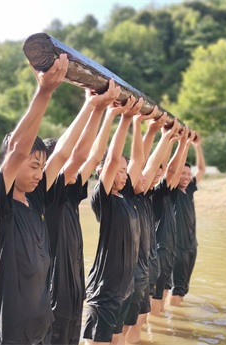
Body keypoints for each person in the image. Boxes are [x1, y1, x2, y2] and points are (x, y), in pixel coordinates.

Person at [0, 54, 74, 344]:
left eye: (41, 168)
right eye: (34, 167)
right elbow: (18, 150)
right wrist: (44, 91)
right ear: (11, 165)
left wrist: (94, 105)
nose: (39, 175)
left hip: (42, 326)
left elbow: (69, 153)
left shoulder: (36, 202)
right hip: (12, 333)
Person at [43, 80, 122, 345]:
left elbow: (93, 155)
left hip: (74, 290)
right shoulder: (48, 195)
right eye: (60, 163)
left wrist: (107, 112)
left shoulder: (69, 194)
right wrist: (93, 107)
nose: (69, 167)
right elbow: (75, 155)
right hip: (54, 292)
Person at [83, 96, 146, 345]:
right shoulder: (104, 199)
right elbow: (110, 160)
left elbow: (138, 162)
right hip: (106, 287)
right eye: (118, 171)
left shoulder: (127, 196)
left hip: (124, 285)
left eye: (124, 171)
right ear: (102, 174)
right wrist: (124, 119)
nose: (123, 175)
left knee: (117, 341)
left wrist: (138, 122)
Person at [121, 112, 179, 343]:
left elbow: (152, 164)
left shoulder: (144, 196)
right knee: (124, 329)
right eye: (142, 174)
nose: (150, 176)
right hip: (129, 277)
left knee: (140, 322)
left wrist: (166, 137)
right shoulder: (127, 198)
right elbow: (141, 161)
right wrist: (146, 128)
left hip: (145, 272)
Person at [150, 125, 191, 316]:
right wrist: (182, 143)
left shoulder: (170, 194)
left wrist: (176, 142)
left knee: (162, 301)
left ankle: (158, 330)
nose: (160, 173)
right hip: (159, 252)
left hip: (169, 251)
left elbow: (169, 168)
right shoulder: (156, 193)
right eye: (155, 171)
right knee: (153, 305)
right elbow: (171, 170)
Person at [168, 134, 206, 307]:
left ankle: (175, 315)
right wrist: (183, 145)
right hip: (177, 247)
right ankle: (173, 325)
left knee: (183, 287)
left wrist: (197, 147)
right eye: (182, 173)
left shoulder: (189, 189)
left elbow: (202, 170)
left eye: (188, 174)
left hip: (192, 246)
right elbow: (173, 170)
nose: (186, 177)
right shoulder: (172, 191)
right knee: (177, 286)